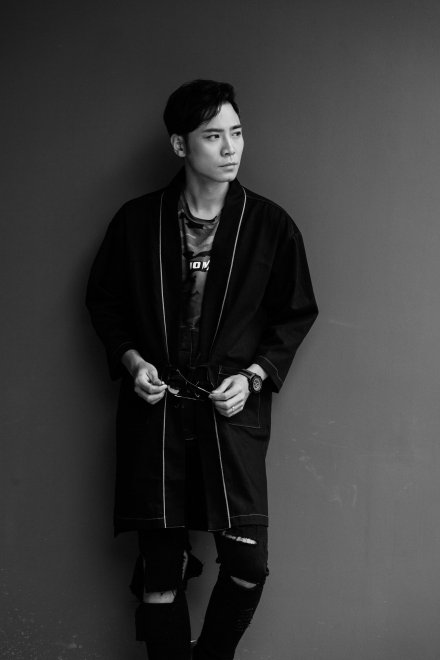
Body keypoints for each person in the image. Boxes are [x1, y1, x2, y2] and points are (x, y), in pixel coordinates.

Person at [86, 79, 318, 660]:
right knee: (160, 570)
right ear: (180, 145)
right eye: (213, 135)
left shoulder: (270, 226)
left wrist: (254, 376)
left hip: (229, 416)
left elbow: (295, 313)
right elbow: (105, 302)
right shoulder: (137, 222)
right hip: (156, 413)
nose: (231, 147)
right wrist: (132, 361)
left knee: (247, 564)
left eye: (236, 132)